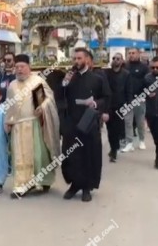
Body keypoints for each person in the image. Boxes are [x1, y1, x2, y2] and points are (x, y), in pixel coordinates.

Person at [3, 54, 59, 199]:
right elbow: (9, 105)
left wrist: (42, 107)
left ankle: (44, 180)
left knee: (39, 155)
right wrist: (8, 121)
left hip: (34, 124)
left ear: (29, 67)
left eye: (22, 67)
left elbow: (47, 99)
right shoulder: (12, 85)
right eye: (17, 67)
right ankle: (22, 185)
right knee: (19, 157)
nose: (19, 70)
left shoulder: (36, 82)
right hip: (18, 126)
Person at [61, 48, 111, 202]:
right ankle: (74, 184)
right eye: (74, 58)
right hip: (71, 122)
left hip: (89, 121)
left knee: (88, 154)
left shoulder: (97, 78)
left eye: (79, 58)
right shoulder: (70, 78)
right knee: (71, 154)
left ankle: (86, 187)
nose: (76, 61)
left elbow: (107, 97)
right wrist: (64, 84)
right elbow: (60, 98)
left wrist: (96, 103)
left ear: (87, 60)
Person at [105, 53, 132, 162]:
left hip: (120, 105)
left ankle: (114, 150)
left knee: (117, 128)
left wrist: (129, 104)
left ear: (122, 61)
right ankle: (113, 147)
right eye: (114, 58)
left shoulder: (126, 74)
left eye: (118, 59)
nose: (115, 60)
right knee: (109, 129)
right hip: (108, 105)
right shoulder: (106, 73)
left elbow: (129, 90)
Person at [121, 48, 147, 152]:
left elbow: (148, 80)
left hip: (139, 98)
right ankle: (129, 142)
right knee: (128, 122)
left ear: (138, 54)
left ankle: (141, 140)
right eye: (129, 53)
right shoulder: (125, 67)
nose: (131, 55)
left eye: (133, 53)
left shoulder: (144, 67)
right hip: (127, 98)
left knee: (140, 121)